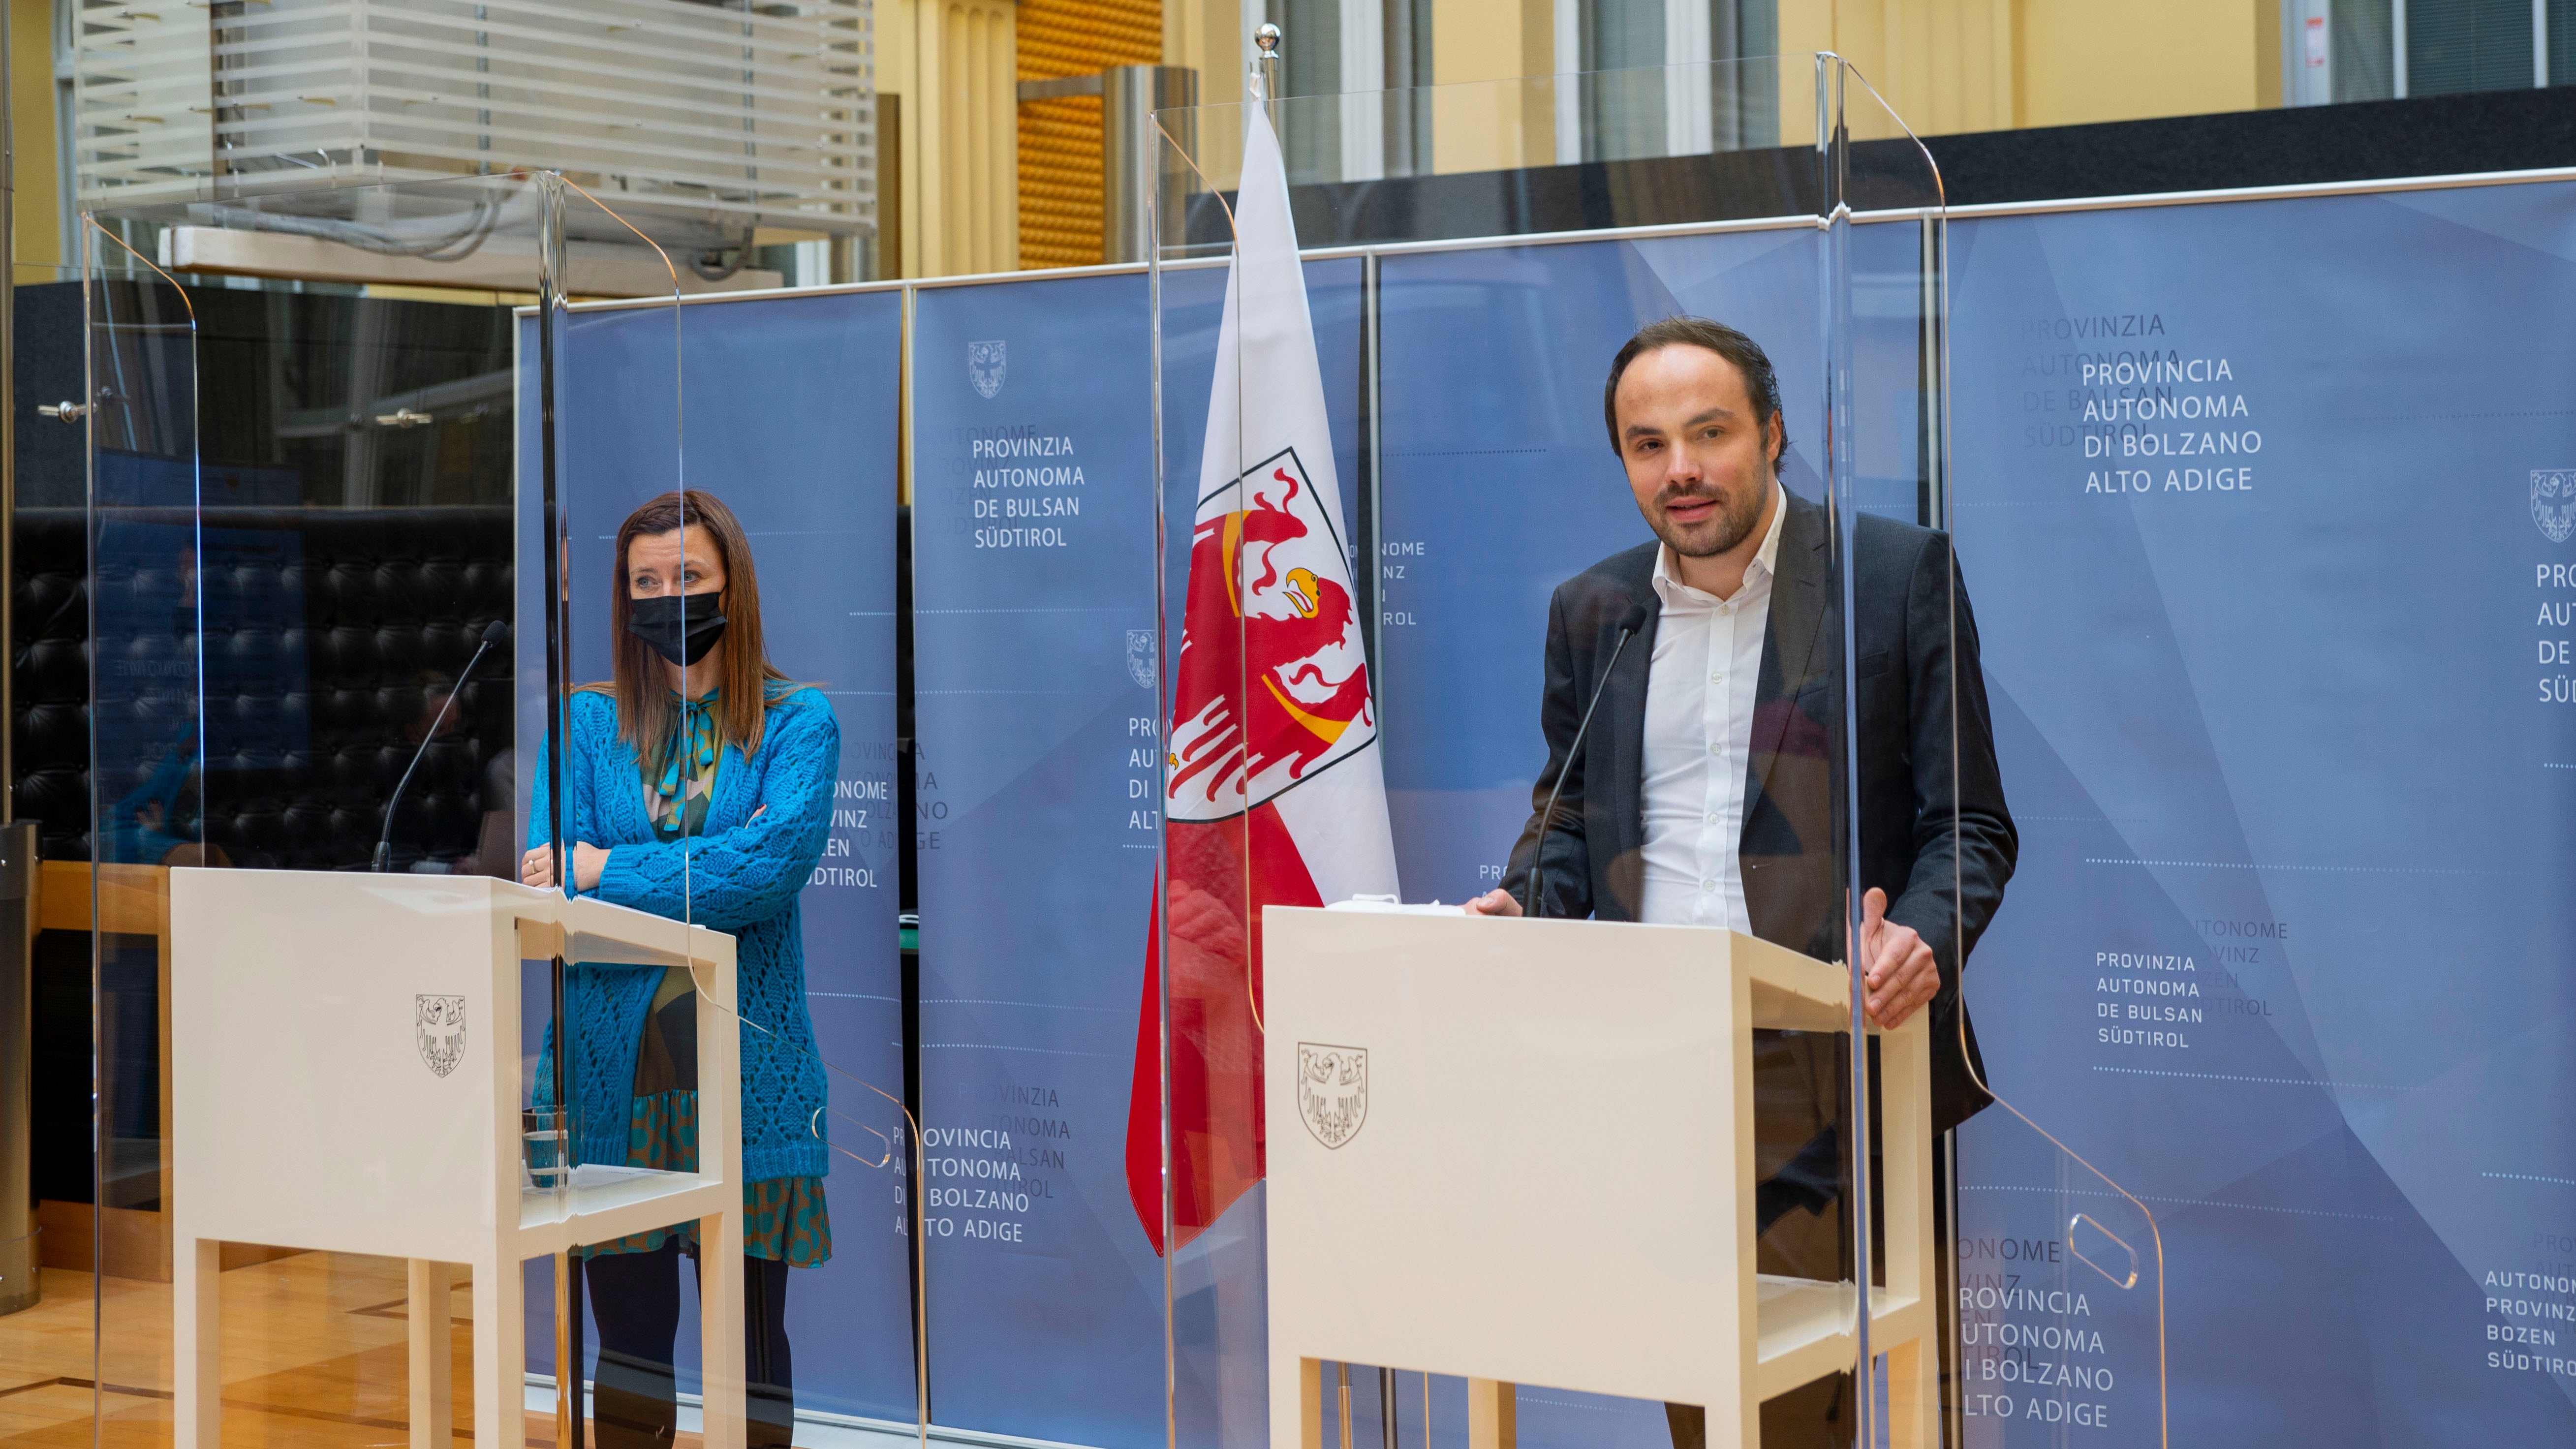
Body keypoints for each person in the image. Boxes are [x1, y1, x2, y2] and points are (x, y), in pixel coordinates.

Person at [1462, 316, 2017, 1448]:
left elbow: (1967, 824)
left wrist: (1916, 938)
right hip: (1650, 1062)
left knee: (1808, 1416)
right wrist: (1528, 903)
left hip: (1830, 1056)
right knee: (1707, 1401)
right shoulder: (1593, 610)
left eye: (1708, 433)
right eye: (1647, 444)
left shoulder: (1888, 577)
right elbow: (1568, 813)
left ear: (1770, 433)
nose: (1680, 468)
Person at [523, 489, 838, 1449]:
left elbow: (769, 867)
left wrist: (606, 869)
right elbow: (551, 879)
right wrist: (589, 873)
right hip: (609, 1085)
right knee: (628, 1352)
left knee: (751, 1355)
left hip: (744, 1080)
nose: (668, 596)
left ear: (731, 587)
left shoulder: (797, 722)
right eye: (646, 581)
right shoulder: (584, 725)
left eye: (688, 576)